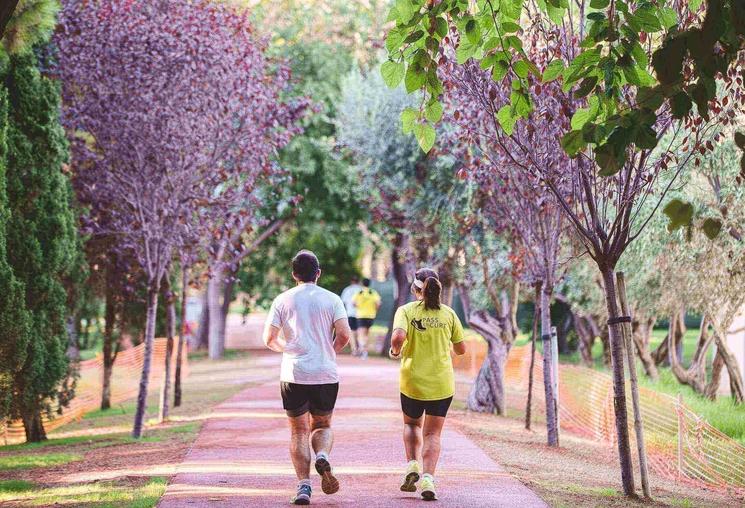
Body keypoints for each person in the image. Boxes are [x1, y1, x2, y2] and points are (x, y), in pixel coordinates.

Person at [262, 250, 351, 505]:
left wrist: (288, 350)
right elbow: (344, 335)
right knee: (322, 425)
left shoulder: (282, 299)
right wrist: (328, 352)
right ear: (318, 273)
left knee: (298, 431)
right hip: (325, 372)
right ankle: (322, 454)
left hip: (294, 373)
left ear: (294, 275)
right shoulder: (332, 299)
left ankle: (303, 487)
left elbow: (268, 339)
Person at [389, 268, 466, 501]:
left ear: (415, 289)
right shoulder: (449, 314)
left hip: (413, 381)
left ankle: (412, 465)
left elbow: (398, 337)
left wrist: (395, 350)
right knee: (433, 433)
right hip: (441, 383)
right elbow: (461, 349)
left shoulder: (406, 311)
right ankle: (428, 479)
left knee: (412, 425)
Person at [351, 278, 380, 359]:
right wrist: (375, 310)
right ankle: (364, 351)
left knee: (360, 334)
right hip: (371, 315)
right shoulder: (373, 292)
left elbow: (353, 303)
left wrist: (359, 306)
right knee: (366, 333)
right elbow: (378, 303)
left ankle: (362, 350)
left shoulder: (359, 292)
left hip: (361, 315)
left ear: (362, 283)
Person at [339, 276, 363, 355]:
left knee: (352, 332)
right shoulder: (362, 290)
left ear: (351, 281)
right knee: (360, 332)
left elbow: (343, 302)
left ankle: (354, 349)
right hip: (361, 314)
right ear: (358, 281)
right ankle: (360, 348)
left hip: (350, 313)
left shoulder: (347, 289)